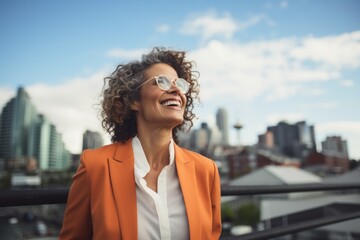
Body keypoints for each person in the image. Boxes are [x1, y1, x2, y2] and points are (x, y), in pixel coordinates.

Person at [59, 47, 222, 240]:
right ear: (133, 101)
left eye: (180, 83)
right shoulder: (95, 165)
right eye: (161, 82)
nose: (176, 89)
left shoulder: (206, 170)